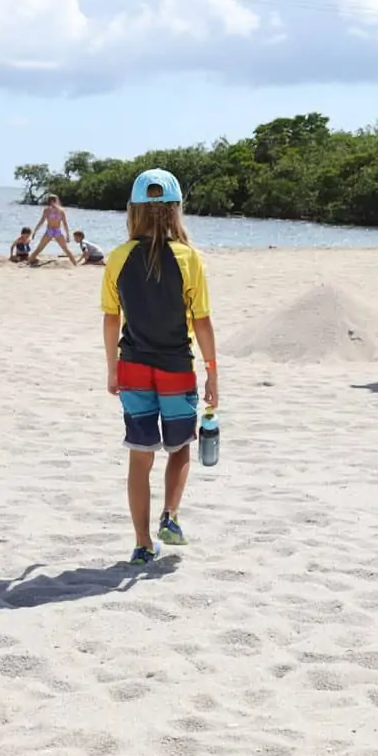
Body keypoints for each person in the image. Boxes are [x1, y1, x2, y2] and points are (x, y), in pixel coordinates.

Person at [101, 168, 218, 565]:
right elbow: (201, 320)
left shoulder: (118, 257)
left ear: (134, 211)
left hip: (133, 367)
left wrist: (111, 369)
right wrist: (213, 371)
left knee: (140, 455)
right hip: (175, 367)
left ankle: (141, 543)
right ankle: (170, 515)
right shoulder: (189, 258)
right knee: (180, 448)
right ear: (175, 211)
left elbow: (111, 317)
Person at [29, 195, 77, 266]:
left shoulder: (47, 210)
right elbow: (65, 224)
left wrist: (35, 231)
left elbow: (41, 222)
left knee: (39, 248)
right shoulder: (61, 210)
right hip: (57, 231)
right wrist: (67, 235)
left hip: (49, 231)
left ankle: (29, 261)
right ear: (56, 200)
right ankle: (75, 263)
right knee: (66, 249)